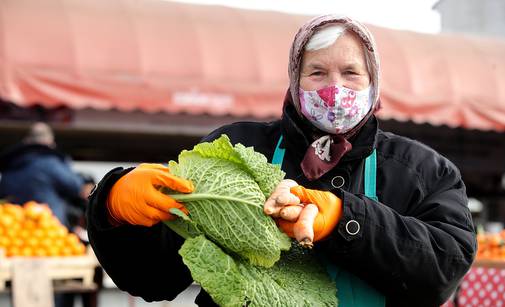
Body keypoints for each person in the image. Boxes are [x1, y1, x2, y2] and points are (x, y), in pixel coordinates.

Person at [86, 15, 477, 307]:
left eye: (351, 73)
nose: (334, 88)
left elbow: (444, 270)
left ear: (373, 83)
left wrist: (345, 221)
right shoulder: (238, 146)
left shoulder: (423, 169)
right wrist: (111, 207)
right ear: (294, 80)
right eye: (317, 72)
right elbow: (153, 278)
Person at [0, 122, 84, 228]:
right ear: (50, 142)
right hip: (47, 229)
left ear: (27, 141)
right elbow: (75, 186)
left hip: (13, 231)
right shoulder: (51, 163)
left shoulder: (9, 164)